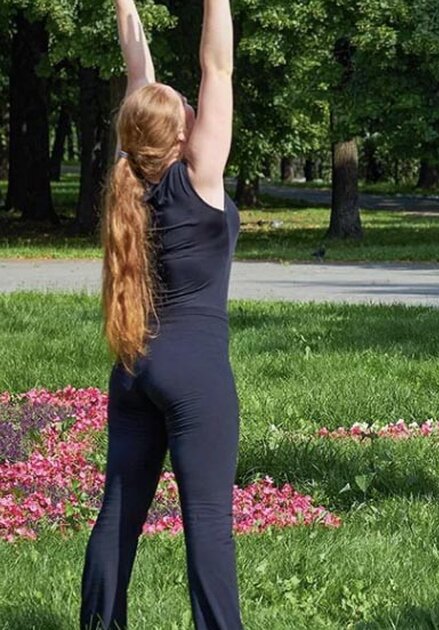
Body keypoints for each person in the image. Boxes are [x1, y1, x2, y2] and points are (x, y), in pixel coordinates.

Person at [81, 0, 242, 626]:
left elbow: (136, 68)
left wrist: (125, 5)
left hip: (134, 370)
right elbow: (217, 67)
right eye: (183, 107)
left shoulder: (132, 176)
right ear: (179, 134)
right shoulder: (199, 175)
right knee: (207, 520)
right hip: (193, 372)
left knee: (118, 513)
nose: (192, 103)